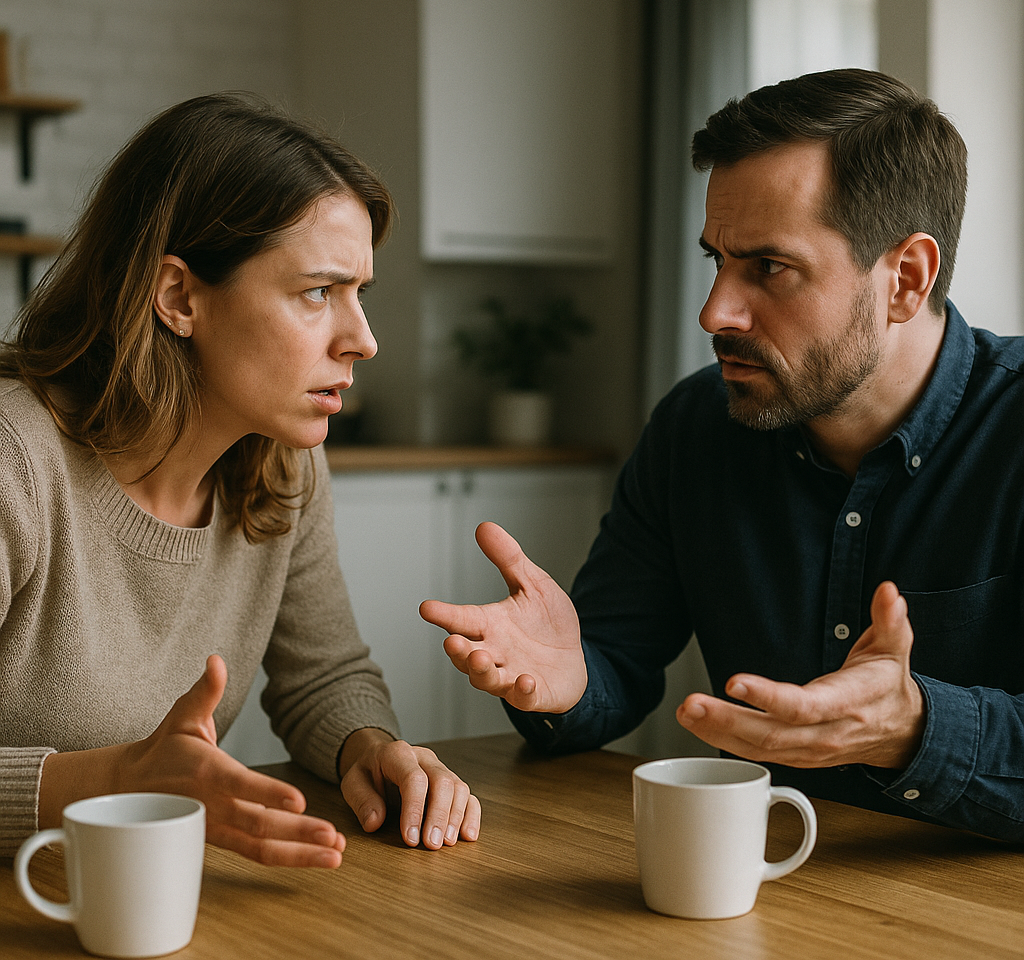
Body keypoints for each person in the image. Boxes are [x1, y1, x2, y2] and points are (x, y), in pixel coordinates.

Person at [421, 68, 1024, 843]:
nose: (715, 312)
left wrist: (915, 729)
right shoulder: (696, 427)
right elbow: (609, 664)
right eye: (717, 260)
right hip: (753, 893)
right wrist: (569, 684)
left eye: (769, 267)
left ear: (905, 278)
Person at [0, 93, 480, 865]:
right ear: (179, 297)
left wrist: (369, 745)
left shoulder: (282, 461)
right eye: (318, 292)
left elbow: (323, 674)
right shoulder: (13, 462)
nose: (363, 340)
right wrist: (120, 778)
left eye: (360, 295)